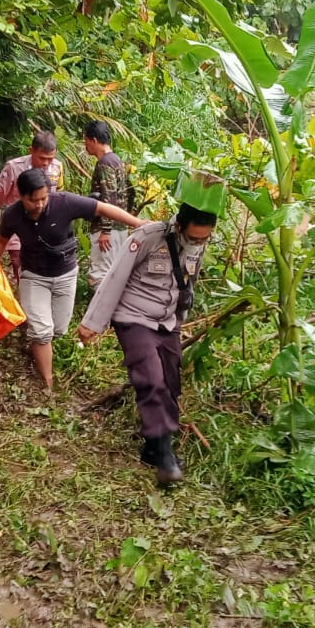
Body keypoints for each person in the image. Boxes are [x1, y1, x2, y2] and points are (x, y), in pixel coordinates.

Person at [77, 203, 219, 487]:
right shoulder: (147, 237)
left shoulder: (199, 244)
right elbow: (115, 278)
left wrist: (179, 320)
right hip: (132, 316)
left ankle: (152, 448)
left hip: (166, 321)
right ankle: (165, 456)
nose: (198, 243)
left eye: (204, 239)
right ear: (179, 225)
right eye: (194, 238)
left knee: (170, 381)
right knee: (151, 379)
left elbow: (189, 283)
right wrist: (93, 322)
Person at [0, 169, 143, 391]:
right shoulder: (13, 215)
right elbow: (0, 241)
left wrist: (137, 223)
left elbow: (102, 208)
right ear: (21, 196)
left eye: (44, 198)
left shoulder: (64, 202)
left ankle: (36, 340)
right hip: (33, 275)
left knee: (58, 329)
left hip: (65, 274)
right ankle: (48, 383)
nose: (40, 204)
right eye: (33, 200)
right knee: (42, 331)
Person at [0, 131, 63, 275]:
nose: (46, 163)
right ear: (31, 151)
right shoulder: (14, 168)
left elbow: (58, 197)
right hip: (19, 229)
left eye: (50, 159)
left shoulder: (57, 168)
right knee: (21, 267)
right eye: (42, 158)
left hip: (46, 229)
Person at [83, 120, 130, 287]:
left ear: (94, 140)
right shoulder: (117, 160)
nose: (85, 145)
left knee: (100, 276)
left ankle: (101, 312)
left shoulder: (105, 163)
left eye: (86, 141)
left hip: (108, 231)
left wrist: (106, 230)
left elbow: (109, 197)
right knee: (113, 274)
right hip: (120, 228)